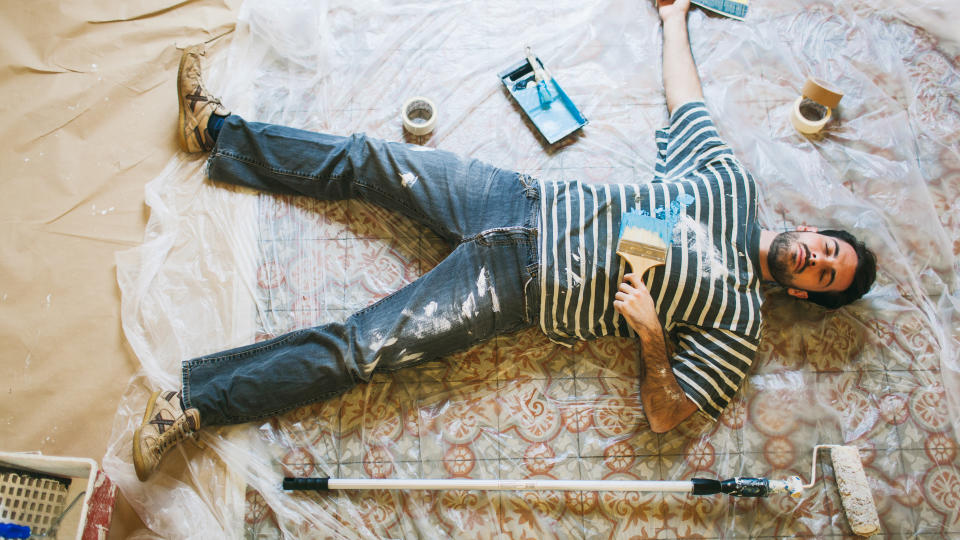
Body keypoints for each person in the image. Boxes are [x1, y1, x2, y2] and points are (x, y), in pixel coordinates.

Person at [133, 0, 876, 481]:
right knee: (368, 161)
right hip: (518, 195)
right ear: (811, 232)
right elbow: (690, 102)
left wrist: (651, 336)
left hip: (518, 292)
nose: (814, 262)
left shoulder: (739, 324)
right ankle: (218, 133)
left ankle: (198, 401)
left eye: (824, 278)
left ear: (806, 296)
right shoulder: (729, 184)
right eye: (826, 250)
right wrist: (673, 17)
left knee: (363, 348)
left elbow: (665, 415)